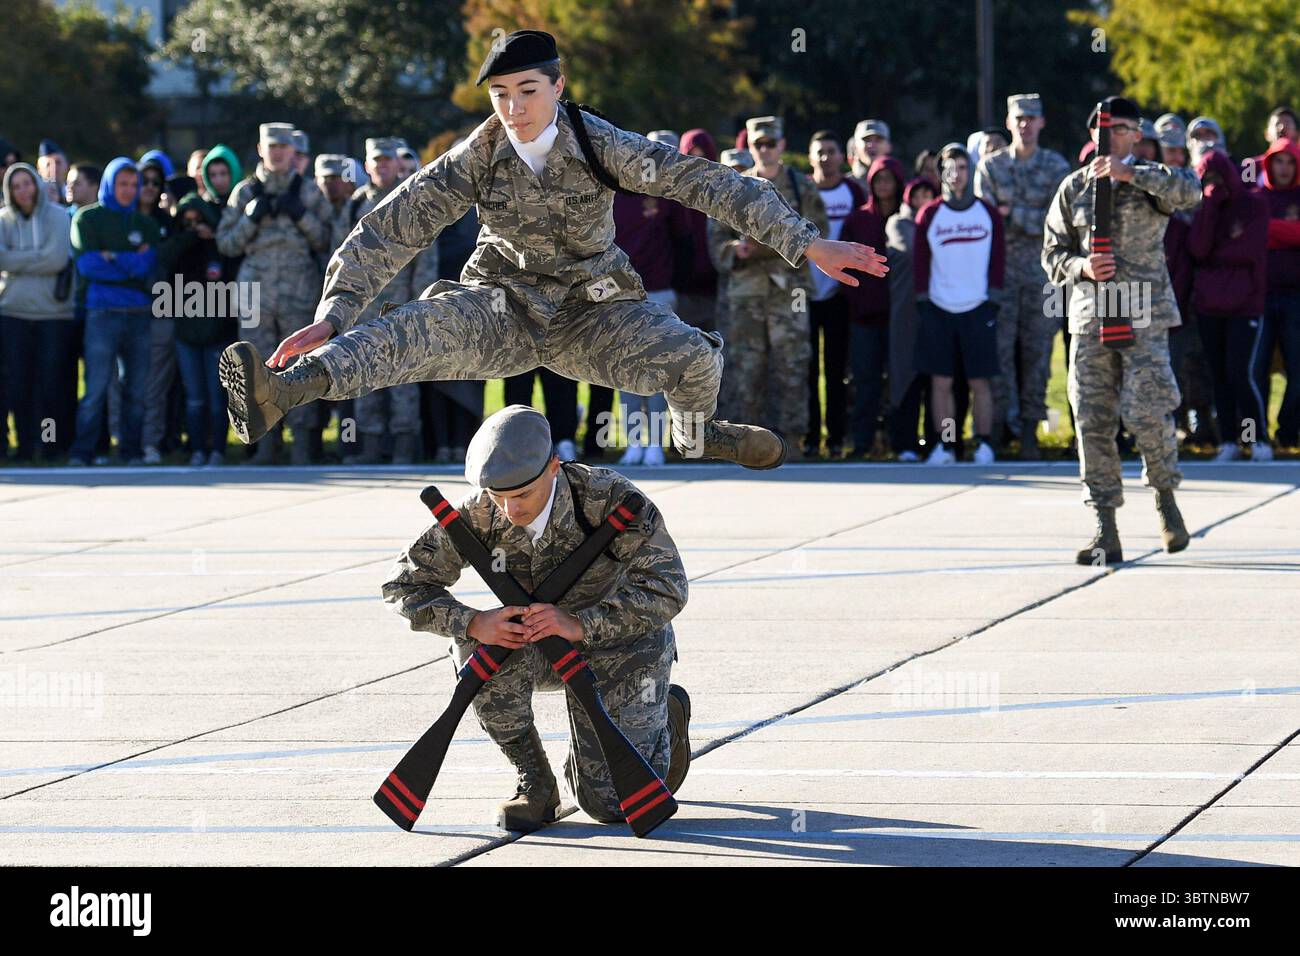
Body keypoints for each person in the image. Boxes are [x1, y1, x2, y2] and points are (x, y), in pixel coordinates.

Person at [217, 31, 885, 473]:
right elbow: (390, 226)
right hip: (502, 309)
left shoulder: (600, 142)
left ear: (558, 88)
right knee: (407, 331)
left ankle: (698, 434)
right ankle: (282, 391)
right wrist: (334, 313)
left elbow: (704, 183)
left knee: (694, 357)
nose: (513, 109)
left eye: (527, 92)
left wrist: (806, 243)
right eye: (501, 96)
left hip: (593, 314)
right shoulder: (478, 154)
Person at [382, 404, 691, 830]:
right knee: (475, 644)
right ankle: (535, 782)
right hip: (534, 647)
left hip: (622, 644)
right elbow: (402, 586)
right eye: (498, 497)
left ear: (553, 466)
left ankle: (668, 725)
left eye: (522, 496)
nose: (510, 510)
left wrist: (581, 623)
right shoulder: (476, 514)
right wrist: (474, 622)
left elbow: (668, 587)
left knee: (610, 805)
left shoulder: (608, 500)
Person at [1042, 96, 1201, 564]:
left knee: (1147, 410)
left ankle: (1166, 500)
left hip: (1143, 312)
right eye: (1104, 128)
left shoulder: (1152, 180)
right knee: (1091, 416)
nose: (1112, 135)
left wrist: (1131, 173)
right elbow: (1051, 254)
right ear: (1093, 135)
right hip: (1092, 315)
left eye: (1123, 128)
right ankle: (1104, 526)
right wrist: (1081, 265)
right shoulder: (1073, 187)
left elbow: (1190, 191)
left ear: (1136, 136)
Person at [711, 115, 831, 454]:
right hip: (746, 291)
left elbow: (820, 233)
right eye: (757, 144)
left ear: (781, 145)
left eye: (770, 144)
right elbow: (717, 239)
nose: (764, 150)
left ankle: (791, 441)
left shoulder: (801, 187)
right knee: (746, 367)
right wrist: (738, 249)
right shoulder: (735, 185)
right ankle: (748, 444)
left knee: (792, 363)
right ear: (749, 147)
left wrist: (780, 245)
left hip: (789, 289)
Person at [216, 121, 333, 465]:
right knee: (255, 368)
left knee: (302, 366)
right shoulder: (245, 193)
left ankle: (303, 446)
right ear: (261, 150)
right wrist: (251, 218)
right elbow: (226, 243)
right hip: (257, 294)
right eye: (273, 147)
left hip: (299, 290)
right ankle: (265, 447)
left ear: (293, 152)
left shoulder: (308, 191)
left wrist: (302, 217)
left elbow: (327, 239)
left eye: (285, 148)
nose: (279, 153)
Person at [974, 93, 1072, 458]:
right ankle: (999, 428)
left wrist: (1012, 215)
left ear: (1042, 122)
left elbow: (1059, 221)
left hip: (1046, 278)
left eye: (1032, 118)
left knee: (1039, 354)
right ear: (1010, 121)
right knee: (998, 352)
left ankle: (1030, 430)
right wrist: (1027, 218)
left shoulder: (1054, 165)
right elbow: (985, 218)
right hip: (1000, 276)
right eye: (1019, 118)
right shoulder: (991, 166)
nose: (1026, 125)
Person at [342, 136, 440, 465]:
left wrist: (419, 301)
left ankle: (403, 446)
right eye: (376, 161)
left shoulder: (410, 201)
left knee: (402, 378)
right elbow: (340, 255)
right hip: (364, 306)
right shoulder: (356, 205)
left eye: (387, 160)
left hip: (401, 303)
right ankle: (369, 445)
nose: (382, 166)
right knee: (365, 374)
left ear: (397, 164)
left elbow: (426, 255)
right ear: (367, 165)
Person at [66, 158, 161, 466]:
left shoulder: (145, 223)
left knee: (135, 389)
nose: (128, 190)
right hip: (102, 313)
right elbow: (88, 266)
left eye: (133, 185)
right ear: (109, 183)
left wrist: (112, 258)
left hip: (138, 313)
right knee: (95, 388)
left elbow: (148, 267)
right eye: (122, 183)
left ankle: (130, 451)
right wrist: (129, 262)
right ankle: (83, 452)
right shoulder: (86, 219)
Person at [913, 143, 1004, 466]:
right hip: (939, 309)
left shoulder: (988, 213)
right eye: (950, 168)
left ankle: (984, 444)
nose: (957, 174)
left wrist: (993, 299)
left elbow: (998, 260)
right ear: (940, 173)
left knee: (980, 382)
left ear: (971, 171)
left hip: (978, 309)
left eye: (963, 167)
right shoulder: (929, 214)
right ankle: (947, 444)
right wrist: (923, 301)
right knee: (942, 383)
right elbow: (920, 262)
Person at [1188, 148, 1272, 461]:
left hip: (1244, 305)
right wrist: (1210, 206)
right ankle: (1229, 442)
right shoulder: (1206, 206)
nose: (1213, 183)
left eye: (1217, 177)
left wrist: (1217, 252)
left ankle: (1256, 438)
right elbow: (1198, 249)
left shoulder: (1253, 204)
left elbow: (1248, 251)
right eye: (1206, 179)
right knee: (1218, 376)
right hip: (1210, 306)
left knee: (1240, 373)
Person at [0, 162, 77, 462]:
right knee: (19, 384)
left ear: (36, 184)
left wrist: (15, 261)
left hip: (52, 316)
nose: (23, 190)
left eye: (27, 183)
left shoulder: (58, 217)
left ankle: (50, 444)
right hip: (13, 313)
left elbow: (57, 259)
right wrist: (37, 257)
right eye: (16, 186)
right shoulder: (3, 220)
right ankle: (25, 445)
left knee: (50, 385)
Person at [158, 192, 237, 467]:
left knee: (217, 397)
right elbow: (161, 263)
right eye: (187, 222)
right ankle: (197, 449)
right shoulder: (178, 247)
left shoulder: (219, 249)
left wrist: (213, 238)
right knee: (195, 398)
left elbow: (233, 272)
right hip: (186, 335)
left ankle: (218, 450)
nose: (194, 226)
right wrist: (188, 237)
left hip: (217, 333)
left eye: (198, 220)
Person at [806, 131, 867, 458]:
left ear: (842, 156)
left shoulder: (853, 191)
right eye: (820, 152)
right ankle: (811, 437)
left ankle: (837, 437)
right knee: (807, 370)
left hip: (840, 295)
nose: (826, 158)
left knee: (837, 369)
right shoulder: (802, 190)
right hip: (803, 294)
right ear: (810, 156)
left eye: (832, 151)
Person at [840, 155, 903, 458]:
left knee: (899, 382)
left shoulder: (908, 219)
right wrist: (856, 301)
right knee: (865, 382)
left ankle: (899, 442)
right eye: (878, 179)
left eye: (889, 179)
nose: (884, 185)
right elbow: (842, 266)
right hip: (864, 317)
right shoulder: (858, 219)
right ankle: (862, 442)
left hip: (900, 318)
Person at [884, 177, 937, 460]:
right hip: (905, 312)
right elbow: (912, 249)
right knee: (905, 377)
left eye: (929, 194)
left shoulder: (941, 219)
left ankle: (935, 442)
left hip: (938, 309)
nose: (924, 199)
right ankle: (904, 444)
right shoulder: (898, 223)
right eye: (918, 194)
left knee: (935, 379)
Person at [1260, 136, 1300, 447]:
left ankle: (1287, 433)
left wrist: (1269, 229)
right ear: (1269, 163)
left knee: (1297, 369)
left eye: (1290, 161)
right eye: (1278, 161)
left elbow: (1262, 231)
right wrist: (1288, 231)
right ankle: (1256, 436)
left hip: (1295, 298)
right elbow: (1248, 236)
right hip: (1259, 298)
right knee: (1256, 370)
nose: (1284, 168)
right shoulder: (1256, 196)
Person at [850, 119, 892, 184]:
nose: (872, 145)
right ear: (855, 147)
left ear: (889, 147)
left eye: (878, 140)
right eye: (866, 140)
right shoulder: (846, 186)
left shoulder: (897, 186)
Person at [37, 140, 69, 205]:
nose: (54, 168)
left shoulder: (75, 193)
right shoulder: (35, 196)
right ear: (39, 169)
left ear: (67, 165)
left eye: (58, 162)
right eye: (48, 164)